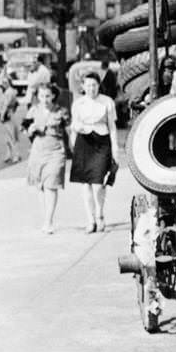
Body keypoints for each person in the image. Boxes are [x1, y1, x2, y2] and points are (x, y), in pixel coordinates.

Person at [69, 70, 119, 233]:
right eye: (88, 85)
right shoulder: (78, 104)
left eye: (94, 85)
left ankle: (100, 214)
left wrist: (115, 148)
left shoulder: (107, 102)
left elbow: (112, 127)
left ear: (99, 86)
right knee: (86, 184)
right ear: (83, 86)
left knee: (98, 183)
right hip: (84, 143)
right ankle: (90, 219)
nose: (92, 89)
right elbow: (74, 126)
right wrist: (73, 142)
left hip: (101, 142)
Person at [25, 82, 71, 234]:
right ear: (38, 96)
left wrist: (73, 148)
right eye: (42, 96)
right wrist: (30, 130)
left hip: (56, 151)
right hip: (38, 151)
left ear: (53, 96)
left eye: (48, 96)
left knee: (51, 185)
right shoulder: (33, 111)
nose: (45, 99)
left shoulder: (61, 111)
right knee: (41, 186)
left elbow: (70, 131)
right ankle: (45, 218)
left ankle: (49, 221)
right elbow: (26, 130)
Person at [0, 74, 22, 163]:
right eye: (3, 82)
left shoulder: (9, 92)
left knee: (11, 136)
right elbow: (17, 103)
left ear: (10, 83)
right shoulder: (9, 91)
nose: (4, 84)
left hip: (8, 116)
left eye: (6, 82)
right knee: (8, 136)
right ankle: (9, 154)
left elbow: (6, 105)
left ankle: (16, 155)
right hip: (10, 114)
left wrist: (2, 116)